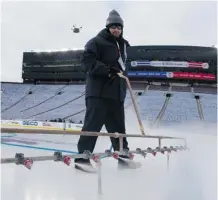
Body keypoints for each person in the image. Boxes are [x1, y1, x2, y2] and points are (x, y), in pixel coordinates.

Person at [75, 10, 131, 169]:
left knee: (119, 128)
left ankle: (123, 155)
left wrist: (123, 89)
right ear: (107, 27)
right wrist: (107, 70)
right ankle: (82, 159)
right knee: (92, 126)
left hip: (116, 94)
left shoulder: (124, 46)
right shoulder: (96, 42)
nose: (116, 30)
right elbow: (87, 62)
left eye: (119, 27)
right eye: (113, 27)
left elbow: (122, 68)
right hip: (98, 93)